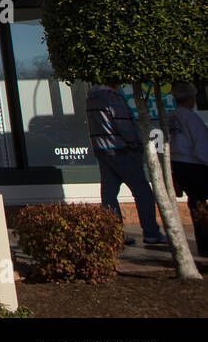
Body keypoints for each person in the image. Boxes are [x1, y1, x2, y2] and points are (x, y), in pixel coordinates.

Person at [86, 83, 165, 246]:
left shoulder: (91, 98)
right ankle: (151, 232)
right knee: (143, 192)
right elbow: (123, 125)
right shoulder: (113, 97)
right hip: (122, 150)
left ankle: (115, 234)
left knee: (109, 195)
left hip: (103, 151)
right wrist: (135, 144)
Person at [168, 83, 208, 256]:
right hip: (195, 165)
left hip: (179, 164)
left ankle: (203, 243)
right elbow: (201, 145)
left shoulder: (171, 116)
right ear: (191, 98)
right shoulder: (192, 118)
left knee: (196, 203)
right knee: (199, 203)